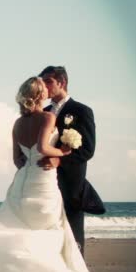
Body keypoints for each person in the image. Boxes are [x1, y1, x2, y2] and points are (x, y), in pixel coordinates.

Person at [0, 76, 101, 272]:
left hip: (23, 183)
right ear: (38, 95)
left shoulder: (17, 123)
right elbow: (44, 148)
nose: (47, 91)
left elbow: (17, 159)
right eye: (44, 89)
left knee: (23, 234)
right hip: (43, 182)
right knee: (48, 235)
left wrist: (30, 163)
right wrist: (63, 152)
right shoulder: (48, 117)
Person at [37, 66, 105, 257]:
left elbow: (87, 150)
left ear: (62, 82)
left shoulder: (81, 111)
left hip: (71, 184)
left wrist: (59, 161)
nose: (45, 86)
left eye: (48, 81)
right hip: (46, 182)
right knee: (48, 235)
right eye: (42, 82)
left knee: (73, 238)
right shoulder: (44, 112)